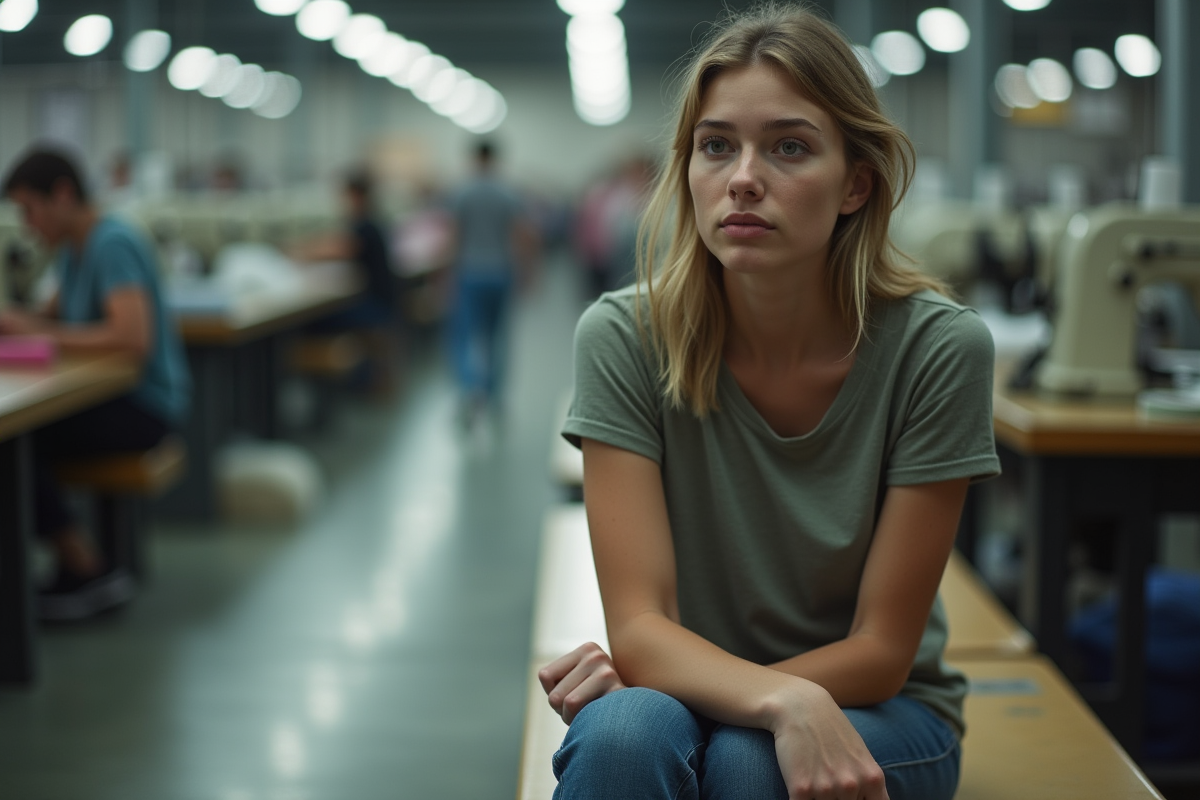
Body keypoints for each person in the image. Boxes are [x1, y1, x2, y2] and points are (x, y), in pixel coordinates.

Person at [540, 6, 1000, 800]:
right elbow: (640, 628)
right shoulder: (625, 336)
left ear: (856, 183)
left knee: (748, 764)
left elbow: (882, 650)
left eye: (789, 147)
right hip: (694, 690)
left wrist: (734, 701)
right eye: (717, 145)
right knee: (621, 737)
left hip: (880, 708)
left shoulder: (937, 349)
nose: (744, 178)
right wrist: (771, 699)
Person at [1, 148, 191, 620]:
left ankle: (85, 568)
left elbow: (132, 338)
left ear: (63, 194)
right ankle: (80, 563)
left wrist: (34, 330)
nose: (27, 225)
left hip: (146, 405)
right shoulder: (73, 250)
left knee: (13, 448)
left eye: (30, 210)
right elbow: (49, 315)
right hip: (116, 397)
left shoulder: (112, 242)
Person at [446, 140, 536, 419]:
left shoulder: (462, 192)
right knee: (497, 337)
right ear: (495, 159)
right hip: (500, 273)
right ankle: (494, 395)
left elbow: (454, 235)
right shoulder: (507, 193)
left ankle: (469, 390)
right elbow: (521, 235)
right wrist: (527, 272)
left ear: (475, 158)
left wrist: (449, 271)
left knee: (466, 336)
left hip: (470, 273)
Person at [292, 169, 399, 397]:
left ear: (356, 195)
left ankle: (348, 381)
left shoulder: (365, 225)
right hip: (381, 302)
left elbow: (340, 248)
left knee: (317, 322)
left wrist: (298, 252)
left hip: (376, 307)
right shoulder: (373, 222)